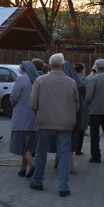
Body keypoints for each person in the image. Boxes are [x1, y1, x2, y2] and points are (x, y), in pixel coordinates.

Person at [28, 53, 79, 197]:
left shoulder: (40, 80)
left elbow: (33, 103)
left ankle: (38, 182)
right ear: (63, 66)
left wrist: (39, 115)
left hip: (44, 123)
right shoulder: (71, 82)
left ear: (49, 66)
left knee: (41, 152)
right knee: (64, 155)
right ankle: (64, 187)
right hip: (65, 124)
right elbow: (76, 105)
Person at [9, 61, 38, 178]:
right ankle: (22, 168)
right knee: (29, 145)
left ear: (22, 69)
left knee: (22, 145)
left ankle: (33, 164)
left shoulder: (21, 79)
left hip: (21, 116)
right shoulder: (37, 79)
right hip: (34, 117)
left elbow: (14, 97)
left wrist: (13, 103)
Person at [63, 61, 87, 175]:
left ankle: (70, 165)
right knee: (70, 141)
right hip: (74, 117)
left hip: (63, 118)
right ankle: (69, 164)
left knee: (64, 141)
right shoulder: (77, 83)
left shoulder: (65, 82)